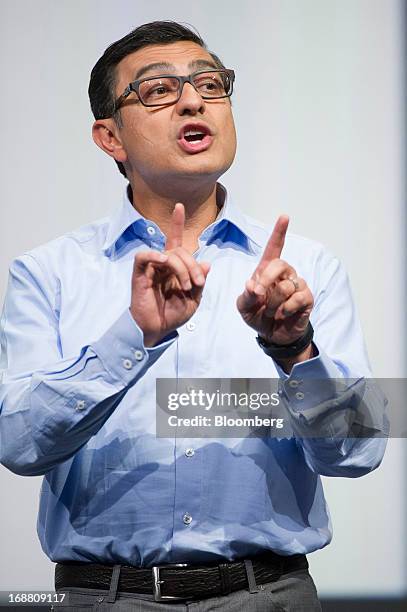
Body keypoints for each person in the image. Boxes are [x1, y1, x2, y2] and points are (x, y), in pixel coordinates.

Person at [0, 20, 387, 612]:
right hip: (104, 597)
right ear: (110, 138)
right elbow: (18, 445)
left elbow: (359, 453)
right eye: (157, 90)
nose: (192, 100)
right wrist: (135, 336)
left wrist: (295, 352)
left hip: (269, 595)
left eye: (210, 84)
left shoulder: (305, 267)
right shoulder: (47, 272)